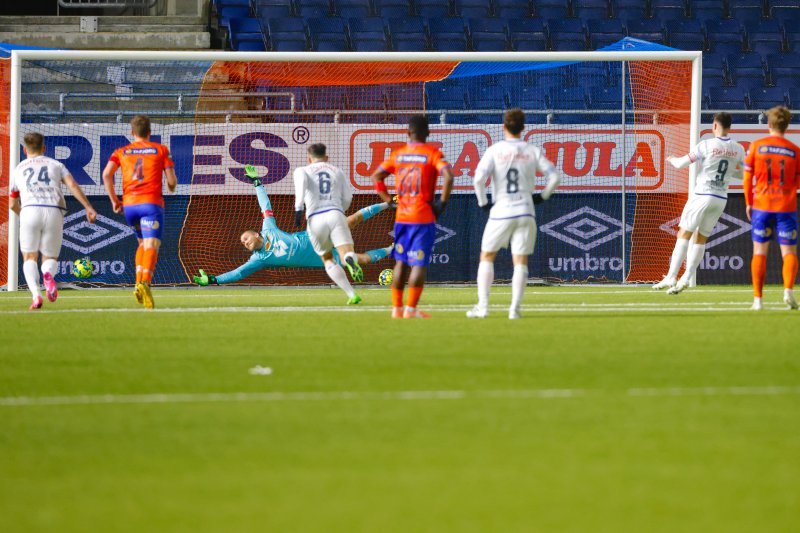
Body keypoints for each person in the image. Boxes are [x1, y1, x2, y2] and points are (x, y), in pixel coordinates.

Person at [192, 165, 393, 290]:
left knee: (351, 221)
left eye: (246, 239)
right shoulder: (258, 259)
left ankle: (389, 203)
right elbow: (238, 273)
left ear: (256, 234)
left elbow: (265, 206)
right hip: (323, 258)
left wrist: (257, 182)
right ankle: (392, 248)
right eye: (243, 243)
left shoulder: (268, 228)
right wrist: (212, 279)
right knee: (361, 259)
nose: (245, 243)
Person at [467, 109, 560, 320]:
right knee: (520, 261)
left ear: (503, 127)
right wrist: (543, 197)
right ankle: (514, 310)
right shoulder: (531, 150)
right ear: (523, 128)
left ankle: (483, 307)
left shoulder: (494, 150)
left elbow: (478, 180)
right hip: (526, 210)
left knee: (487, 256)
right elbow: (554, 177)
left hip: (501, 210)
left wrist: (483, 204)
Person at [652, 112, 746, 295]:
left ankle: (671, 276)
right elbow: (744, 175)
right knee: (701, 238)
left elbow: (681, 164)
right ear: (730, 127)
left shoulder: (706, 145)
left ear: (715, 126)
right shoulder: (738, 149)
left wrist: (671, 159)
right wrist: (728, 176)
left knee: (684, 233)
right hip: (720, 199)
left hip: (702, 194)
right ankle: (686, 277)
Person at [371, 115, 454, 319]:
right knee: (419, 264)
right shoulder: (432, 153)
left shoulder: (398, 155)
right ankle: (410, 309)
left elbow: (376, 176)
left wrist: (389, 200)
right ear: (428, 133)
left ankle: (396, 309)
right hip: (423, 216)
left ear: (408, 133)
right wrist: (442, 203)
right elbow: (449, 176)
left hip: (402, 216)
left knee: (401, 262)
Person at [10, 132, 97, 310]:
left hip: (29, 210)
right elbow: (72, 185)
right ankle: (48, 274)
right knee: (49, 257)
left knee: (29, 257)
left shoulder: (18, 169)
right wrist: (88, 207)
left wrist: (24, 215)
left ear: (25, 150)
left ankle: (36, 296)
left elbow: (12, 203)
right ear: (44, 148)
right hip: (54, 211)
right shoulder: (56, 164)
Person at [102, 115, 177, 309]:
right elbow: (172, 181)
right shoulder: (161, 150)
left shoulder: (121, 151)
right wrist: (170, 186)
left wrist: (114, 200)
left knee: (142, 243)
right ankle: (145, 283)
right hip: (150, 204)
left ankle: (137, 283)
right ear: (150, 133)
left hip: (130, 206)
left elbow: (106, 174)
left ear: (132, 132)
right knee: (152, 243)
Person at [742, 106, 800, 311]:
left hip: (762, 205)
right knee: (789, 251)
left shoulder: (757, 146)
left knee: (759, 251)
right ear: (787, 126)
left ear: (769, 124)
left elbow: (748, 178)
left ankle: (758, 300)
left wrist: (749, 202)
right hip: (786, 206)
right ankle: (788, 292)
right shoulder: (795, 150)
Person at [294, 143, 363, 304]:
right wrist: (339, 210)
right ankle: (350, 258)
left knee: (327, 257)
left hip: (315, 218)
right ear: (326, 157)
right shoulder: (337, 171)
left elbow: (301, 187)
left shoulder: (302, 170)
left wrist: (298, 210)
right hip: (335, 213)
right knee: (345, 253)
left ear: (309, 158)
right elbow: (347, 198)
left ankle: (352, 295)